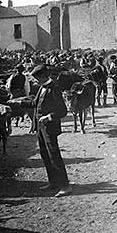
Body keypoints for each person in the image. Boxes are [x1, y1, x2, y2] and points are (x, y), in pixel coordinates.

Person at [30, 64, 72, 197]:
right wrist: (18, 102)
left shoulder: (54, 88)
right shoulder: (42, 88)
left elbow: (62, 111)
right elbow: (35, 104)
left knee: (54, 156)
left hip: (50, 127)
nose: (36, 81)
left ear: (43, 76)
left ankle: (65, 186)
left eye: (37, 78)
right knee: (45, 156)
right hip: (40, 128)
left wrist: (48, 117)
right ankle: (53, 182)